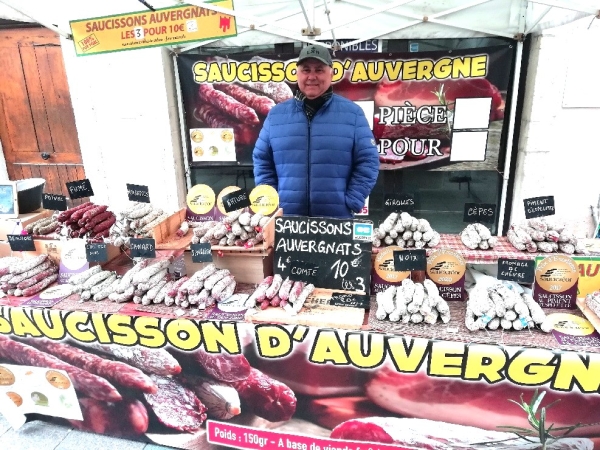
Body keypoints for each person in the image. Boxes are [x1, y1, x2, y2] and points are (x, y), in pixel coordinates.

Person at [253, 45, 380, 219]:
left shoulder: (353, 113)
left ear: (331, 73)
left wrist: (353, 200)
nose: (312, 76)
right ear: (297, 73)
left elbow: (368, 160)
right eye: (306, 70)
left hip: (336, 220)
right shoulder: (276, 115)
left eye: (319, 70)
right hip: (286, 220)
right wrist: (271, 199)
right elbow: (262, 159)